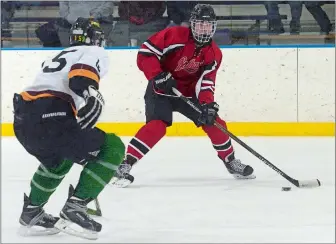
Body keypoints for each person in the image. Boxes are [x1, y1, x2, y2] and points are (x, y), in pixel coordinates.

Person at [112, 4, 255, 188]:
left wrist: (207, 105)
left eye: (208, 25)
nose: (203, 29)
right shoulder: (174, 35)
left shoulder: (214, 54)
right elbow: (146, 53)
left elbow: (206, 83)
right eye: (200, 24)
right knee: (156, 127)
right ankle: (125, 164)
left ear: (213, 27)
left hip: (187, 93)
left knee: (214, 122)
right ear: (192, 25)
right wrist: (157, 76)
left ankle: (230, 161)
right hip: (161, 89)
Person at [13, 17, 125, 240]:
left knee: (58, 158)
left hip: (23, 118)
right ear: (95, 39)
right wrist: (91, 95)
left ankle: (32, 212)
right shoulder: (94, 52)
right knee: (113, 147)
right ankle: (76, 206)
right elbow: (80, 77)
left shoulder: (55, 56)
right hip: (52, 113)